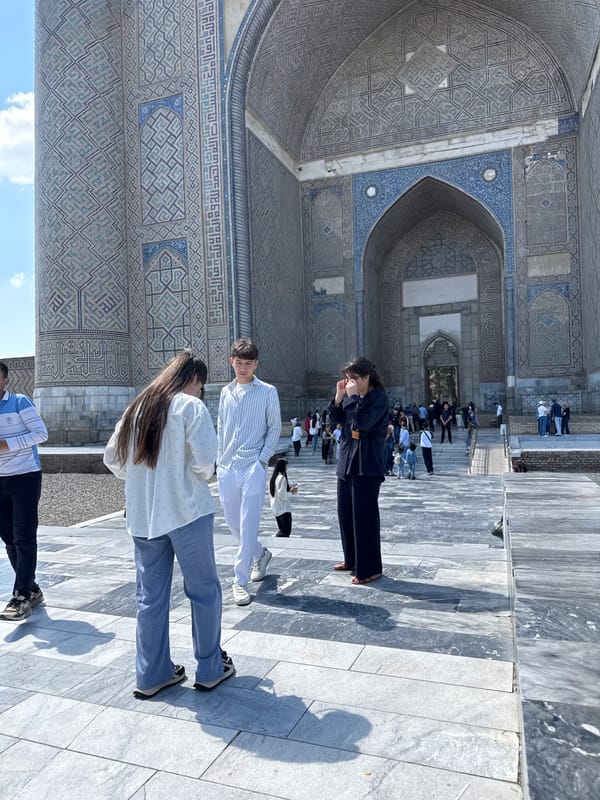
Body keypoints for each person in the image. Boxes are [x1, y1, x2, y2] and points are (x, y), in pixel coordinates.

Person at [103, 352, 234, 697]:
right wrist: (189, 476)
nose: (199, 390)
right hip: (186, 512)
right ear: (193, 380)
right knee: (204, 592)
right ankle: (209, 668)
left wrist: (142, 482)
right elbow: (206, 462)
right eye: (200, 385)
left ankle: (151, 674)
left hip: (144, 518)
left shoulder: (136, 409)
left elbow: (112, 458)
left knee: (150, 598)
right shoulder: (189, 407)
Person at [217, 338, 281, 606]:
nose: (243, 368)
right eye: (239, 363)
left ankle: (239, 580)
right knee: (234, 525)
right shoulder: (225, 392)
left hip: (252, 466)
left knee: (248, 523)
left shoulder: (267, 391)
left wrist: (261, 461)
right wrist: (219, 460)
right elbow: (221, 426)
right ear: (233, 362)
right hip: (227, 467)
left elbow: (274, 427)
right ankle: (260, 554)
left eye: (248, 363)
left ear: (256, 364)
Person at [328, 356, 388, 585]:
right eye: (347, 378)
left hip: (366, 465)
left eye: (353, 379)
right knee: (346, 515)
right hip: (347, 462)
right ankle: (351, 559)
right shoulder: (352, 396)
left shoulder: (378, 399)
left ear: (366, 377)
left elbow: (363, 423)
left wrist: (352, 397)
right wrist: (339, 397)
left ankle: (370, 568)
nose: (349, 382)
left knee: (365, 518)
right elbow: (335, 419)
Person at [0, 361, 48, 622]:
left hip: (25, 477)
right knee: (9, 538)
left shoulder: (20, 403)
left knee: (24, 536)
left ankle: (20, 597)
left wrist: (6, 444)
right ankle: (33, 588)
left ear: (6, 380)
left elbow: (41, 434)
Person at [269, 458, 298, 537]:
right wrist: (291, 492)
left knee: (282, 530)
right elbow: (283, 495)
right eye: (286, 466)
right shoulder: (282, 478)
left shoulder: (274, 478)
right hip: (284, 509)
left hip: (277, 508)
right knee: (285, 532)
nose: (287, 468)